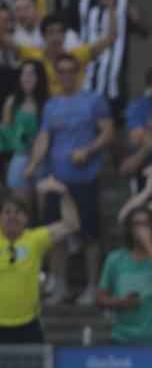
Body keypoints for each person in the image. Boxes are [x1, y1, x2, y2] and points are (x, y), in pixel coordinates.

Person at [24, 53, 115, 305]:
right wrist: (33, 163)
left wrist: (88, 150)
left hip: (84, 177)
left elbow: (108, 132)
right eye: (61, 71)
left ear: (79, 73)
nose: (66, 75)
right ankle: (60, 286)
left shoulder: (93, 101)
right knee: (56, 235)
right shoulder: (51, 105)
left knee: (89, 234)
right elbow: (44, 137)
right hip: (56, 178)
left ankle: (92, 286)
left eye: (70, 71)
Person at [0, 180, 78, 344]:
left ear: (26, 218)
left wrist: (64, 193)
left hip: (28, 324)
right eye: (7, 212)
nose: (12, 216)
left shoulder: (35, 239)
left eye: (18, 212)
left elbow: (71, 225)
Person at [96, 204, 152, 345]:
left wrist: (149, 245)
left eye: (146, 224)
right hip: (121, 338)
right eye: (136, 224)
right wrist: (121, 302)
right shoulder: (114, 259)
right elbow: (100, 299)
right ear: (129, 229)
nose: (141, 229)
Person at [0, 60, 49, 205]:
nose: (26, 77)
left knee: (44, 212)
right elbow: (5, 137)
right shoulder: (12, 102)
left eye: (31, 74)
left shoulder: (48, 104)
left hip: (44, 161)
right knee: (22, 209)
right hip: (20, 160)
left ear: (39, 78)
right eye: (23, 74)